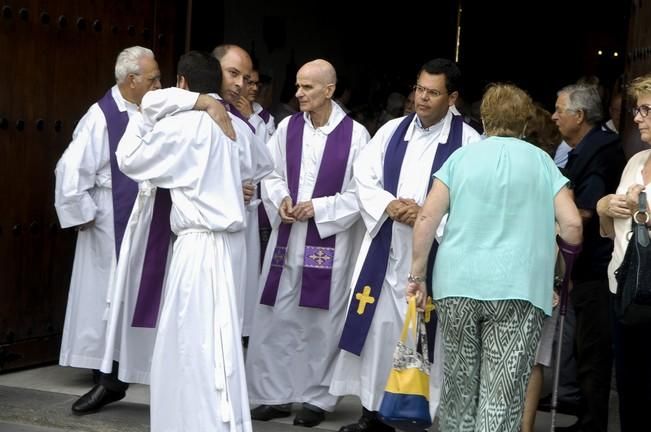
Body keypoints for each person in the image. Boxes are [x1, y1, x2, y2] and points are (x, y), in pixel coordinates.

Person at [407, 83, 583, 432]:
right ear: (524, 122)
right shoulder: (542, 162)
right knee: (501, 397)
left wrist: (417, 276)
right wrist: (560, 273)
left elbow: (427, 217)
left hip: (458, 286)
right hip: (519, 291)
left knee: (459, 390)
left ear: (485, 119)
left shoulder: (460, 158)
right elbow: (573, 225)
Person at [330, 58, 481, 432]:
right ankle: (373, 412)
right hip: (388, 250)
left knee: (427, 337)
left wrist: (430, 218)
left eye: (433, 92)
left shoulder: (469, 142)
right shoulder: (393, 130)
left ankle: (420, 416)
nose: (422, 99)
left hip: (434, 256)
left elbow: (475, 200)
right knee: (380, 331)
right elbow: (363, 176)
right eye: (419, 89)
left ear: (453, 97)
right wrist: (389, 204)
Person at [116, 50, 253, 432]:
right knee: (215, 342)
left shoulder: (185, 127)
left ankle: (193, 422)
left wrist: (145, 114)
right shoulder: (232, 127)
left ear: (182, 84)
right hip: (225, 248)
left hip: (197, 249)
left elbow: (128, 159)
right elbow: (262, 164)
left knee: (192, 344)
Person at [245, 59, 370, 428]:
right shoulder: (286, 128)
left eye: (307, 87)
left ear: (329, 90)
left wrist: (317, 207)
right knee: (277, 315)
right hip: (287, 239)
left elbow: (360, 194)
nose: (298, 94)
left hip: (327, 243)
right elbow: (270, 172)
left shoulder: (356, 135)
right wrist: (280, 198)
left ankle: (316, 399)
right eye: (297, 86)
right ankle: (274, 394)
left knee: (320, 322)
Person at [54, 45, 161, 415]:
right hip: (107, 222)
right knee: (108, 296)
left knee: (138, 296)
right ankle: (107, 373)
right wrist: (81, 211)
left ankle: (126, 372)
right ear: (131, 81)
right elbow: (71, 168)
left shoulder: (150, 109)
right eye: (152, 79)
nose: (158, 84)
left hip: (145, 219)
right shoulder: (102, 116)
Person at [551, 83, 625, 432]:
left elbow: (584, 211)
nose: (553, 117)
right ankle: (586, 414)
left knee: (592, 349)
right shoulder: (589, 148)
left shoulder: (600, 152)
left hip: (597, 267)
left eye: (559, 109)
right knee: (585, 347)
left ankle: (592, 422)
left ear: (578, 116)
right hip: (587, 266)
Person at [596, 73, 651, 432]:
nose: (636, 117)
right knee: (631, 390)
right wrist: (605, 208)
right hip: (623, 291)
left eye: (646, 109)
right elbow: (609, 232)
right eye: (637, 109)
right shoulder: (636, 162)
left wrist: (639, 211)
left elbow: (638, 216)